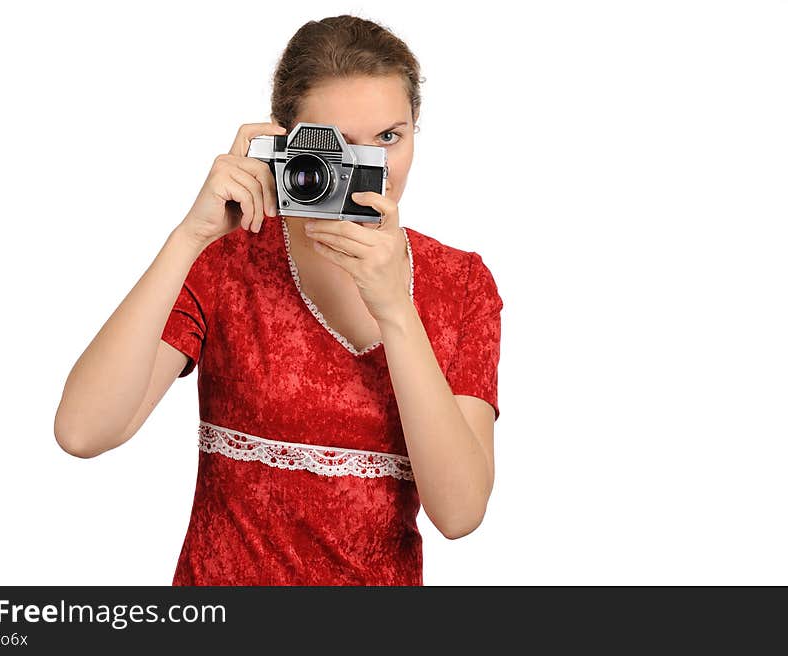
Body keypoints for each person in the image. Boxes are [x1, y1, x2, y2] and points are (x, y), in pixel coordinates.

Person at [54, 14, 503, 586]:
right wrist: (191, 235)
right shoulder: (228, 258)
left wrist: (395, 309)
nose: (371, 170)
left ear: (417, 127)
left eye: (390, 137)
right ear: (286, 144)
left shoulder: (460, 282)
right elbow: (82, 431)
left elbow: (460, 513)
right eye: (337, 145)